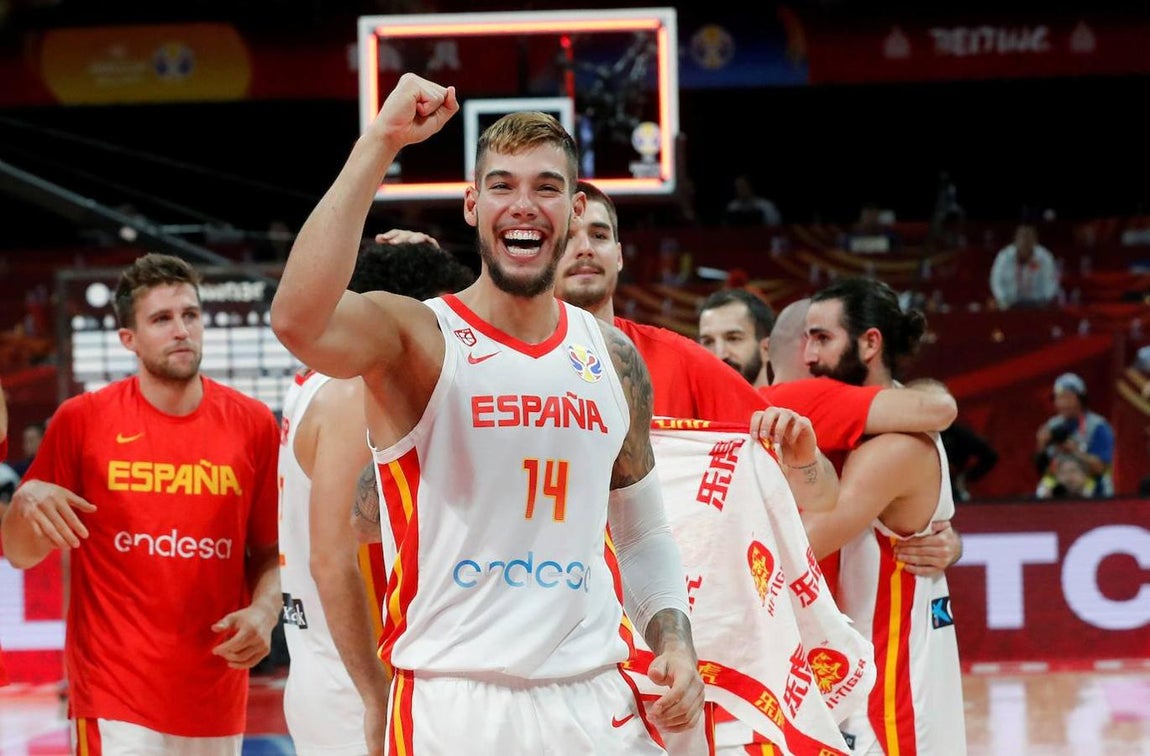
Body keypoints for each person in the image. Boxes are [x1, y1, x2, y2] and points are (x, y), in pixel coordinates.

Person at [270, 73, 703, 753]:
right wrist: (381, 142)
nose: (523, 205)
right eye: (501, 186)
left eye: (546, 188)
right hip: (454, 701)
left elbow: (644, 534)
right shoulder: (416, 337)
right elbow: (296, 318)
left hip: (594, 696)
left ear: (572, 207)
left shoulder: (613, 358)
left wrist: (674, 637)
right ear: (472, 206)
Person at [1, 253, 282, 754]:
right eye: (162, 319)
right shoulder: (81, 420)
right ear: (128, 339)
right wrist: (25, 500)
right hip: (114, 695)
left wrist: (263, 612)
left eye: (190, 315)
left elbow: (269, 553)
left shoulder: (254, 424)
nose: (181, 330)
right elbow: (21, 553)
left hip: (216, 691)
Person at [278, 241, 475, 756]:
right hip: (356, 687)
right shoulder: (351, 393)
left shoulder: (315, 381)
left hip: (338, 669)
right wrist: (374, 693)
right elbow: (332, 559)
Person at [555, 180, 839, 511]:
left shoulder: (679, 360)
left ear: (618, 256)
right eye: (568, 237)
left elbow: (821, 498)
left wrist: (806, 462)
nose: (585, 247)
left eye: (600, 235)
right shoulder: (502, 364)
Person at [799, 277, 967, 755]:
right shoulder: (888, 419)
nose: (810, 356)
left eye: (823, 338)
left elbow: (801, 548)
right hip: (877, 676)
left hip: (891, 694)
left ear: (870, 342)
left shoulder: (893, 446)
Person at [1035, 372, 1114, 496]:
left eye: (1067, 398)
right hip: (1059, 489)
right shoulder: (1051, 426)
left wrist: (1074, 451)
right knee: (1041, 494)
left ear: (1080, 399)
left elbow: (1101, 468)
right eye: (1058, 398)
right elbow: (1042, 469)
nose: (1063, 404)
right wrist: (1041, 446)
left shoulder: (1098, 426)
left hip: (1094, 491)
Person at [696, 288, 774, 388]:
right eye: (708, 342)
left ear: (767, 349)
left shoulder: (791, 402)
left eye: (733, 339)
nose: (719, 355)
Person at [989, 222, 1060, 310]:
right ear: (1016, 240)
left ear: (1035, 241)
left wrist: (1046, 299)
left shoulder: (1044, 257)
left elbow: (1052, 281)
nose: (1025, 242)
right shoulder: (1004, 257)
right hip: (1010, 302)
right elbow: (996, 280)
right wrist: (1002, 298)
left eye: (1029, 239)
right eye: (1023, 238)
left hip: (1038, 303)